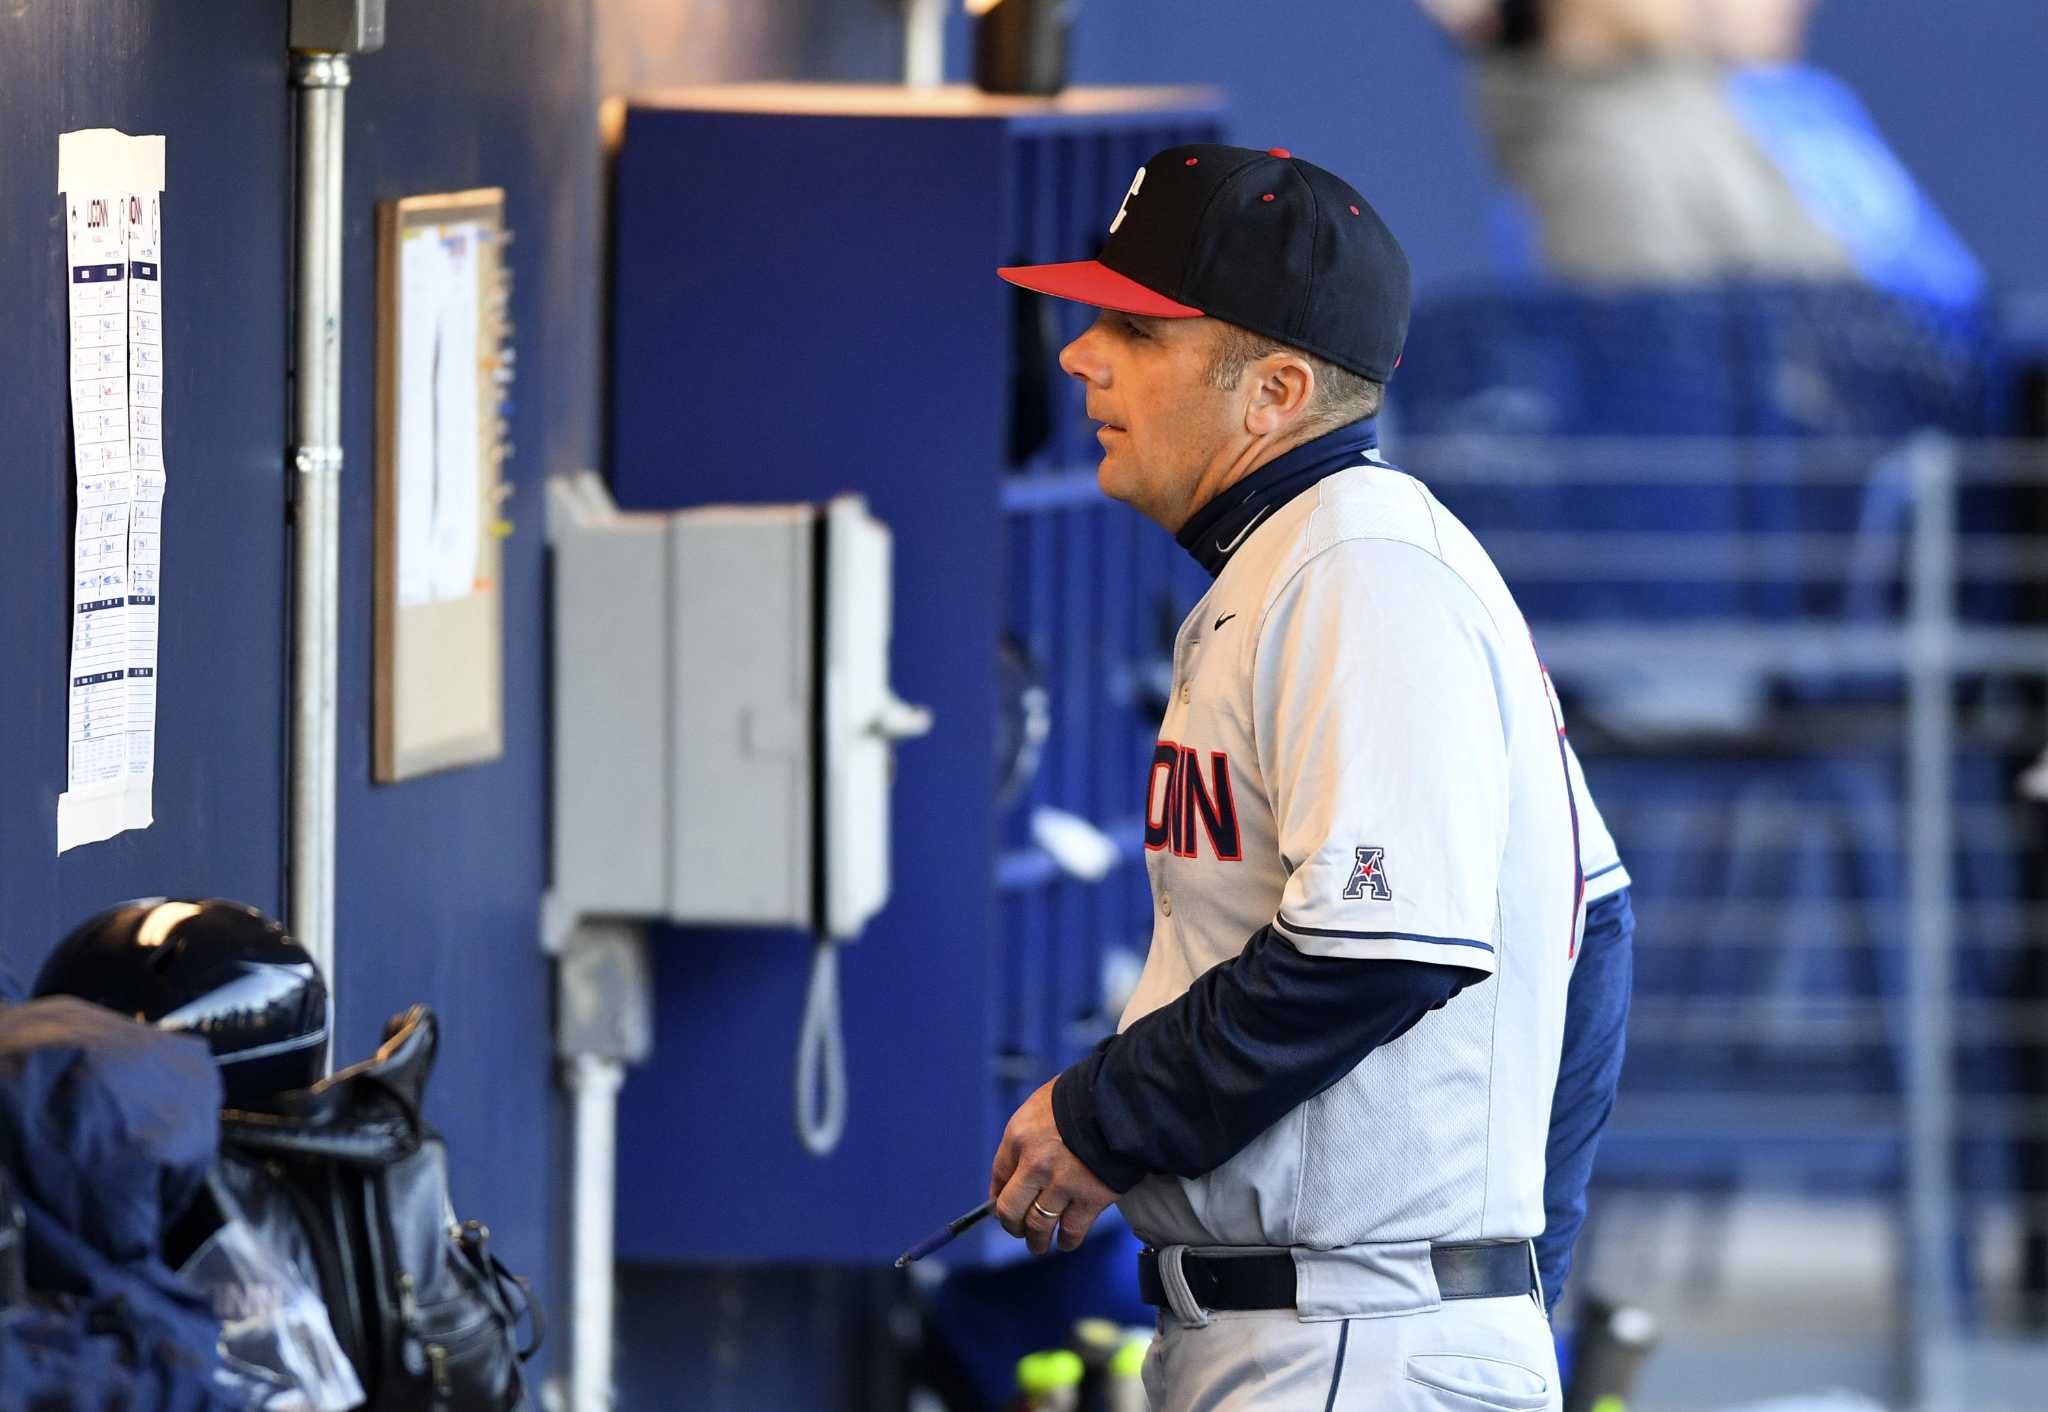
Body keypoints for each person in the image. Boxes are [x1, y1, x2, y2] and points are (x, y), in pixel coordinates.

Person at [986, 143, 1634, 1410]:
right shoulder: (1303, 560)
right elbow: (1591, 928)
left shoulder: (1362, 575)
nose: (1080, 355)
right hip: (1334, 1328)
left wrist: (1104, 1115)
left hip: (1354, 1335)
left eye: (1135, 328)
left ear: (1273, 389)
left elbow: (1375, 951)